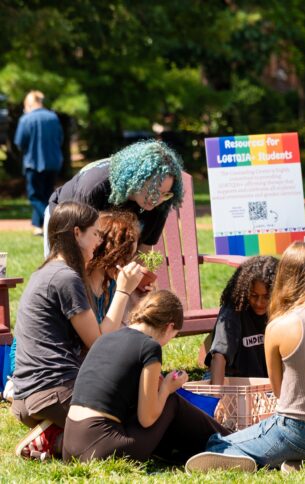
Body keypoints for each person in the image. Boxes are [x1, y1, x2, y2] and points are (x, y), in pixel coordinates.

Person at [187, 242, 305, 472]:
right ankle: (298, 462)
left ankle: (284, 458)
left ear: (283, 277)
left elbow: (280, 393)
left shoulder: (279, 325)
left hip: (295, 434)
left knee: (216, 444)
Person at [9, 201, 145, 460]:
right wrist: (124, 290)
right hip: (52, 393)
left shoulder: (49, 271)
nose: (98, 241)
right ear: (76, 233)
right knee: (136, 418)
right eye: (95, 233)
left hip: (28, 396)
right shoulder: (66, 278)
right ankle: (56, 438)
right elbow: (99, 343)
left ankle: (54, 437)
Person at [61, 290, 230, 463]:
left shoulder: (105, 339)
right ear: (169, 327)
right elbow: (147, 419)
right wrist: (166, 388)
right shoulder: (149, 347)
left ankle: (191, 450)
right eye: (173, 336)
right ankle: (229, 443)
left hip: (71, 446)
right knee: (171, 401)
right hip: (104, 448)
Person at [47, 139, 185, 255]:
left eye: (164, 194)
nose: (156, 200)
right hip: (67, 222)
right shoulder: (95, 188)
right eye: (153, 191)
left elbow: (144, 251)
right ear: (136, 180)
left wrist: (136, 276)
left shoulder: (162, 201)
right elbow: (78, 246)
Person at [206, 256, 279, 385]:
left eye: (266, 297)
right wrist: (216, 394)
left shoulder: (283, 310)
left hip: (268, 384)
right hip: (234, 381)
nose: (259, 302)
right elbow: (219, 356)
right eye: (254, 295)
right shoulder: (234, 310)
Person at [14, 90, 64, 236]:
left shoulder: (26, 119)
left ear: (28, 104)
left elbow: (19, 142)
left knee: (34, 196)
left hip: (33, 163)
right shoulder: (53, 117)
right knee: (47, 195)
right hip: (53, 162)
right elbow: (60, 139)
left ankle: (53, 220)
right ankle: (38, 227)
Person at [84, 211, 143, 323]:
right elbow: (99, 333)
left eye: (131, 257)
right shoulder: (79, 285)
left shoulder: (110, 284)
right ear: (108, 251)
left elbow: (122, 324)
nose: (129, 264)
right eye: (126, 257)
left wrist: (143, 298)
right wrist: (123, 292)